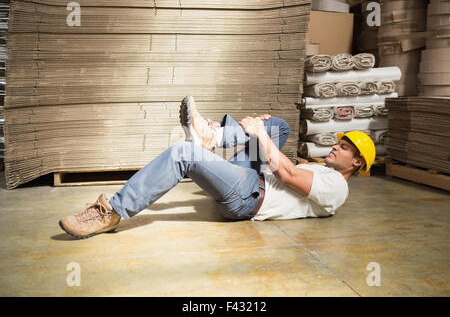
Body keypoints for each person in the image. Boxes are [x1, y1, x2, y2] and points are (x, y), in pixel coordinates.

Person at [59, 95, 376, 239]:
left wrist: (259, 135)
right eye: (339, 142)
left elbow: (287, 174)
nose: (336, 146)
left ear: (357, 162)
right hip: (251, 178)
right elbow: (283, 165)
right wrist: (263, 132)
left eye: (344, 148)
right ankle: (212, 136)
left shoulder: (338, 187)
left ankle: (110, 212)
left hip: (248, 197)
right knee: (277, 124)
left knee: (183, 153)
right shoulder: (323, 171)